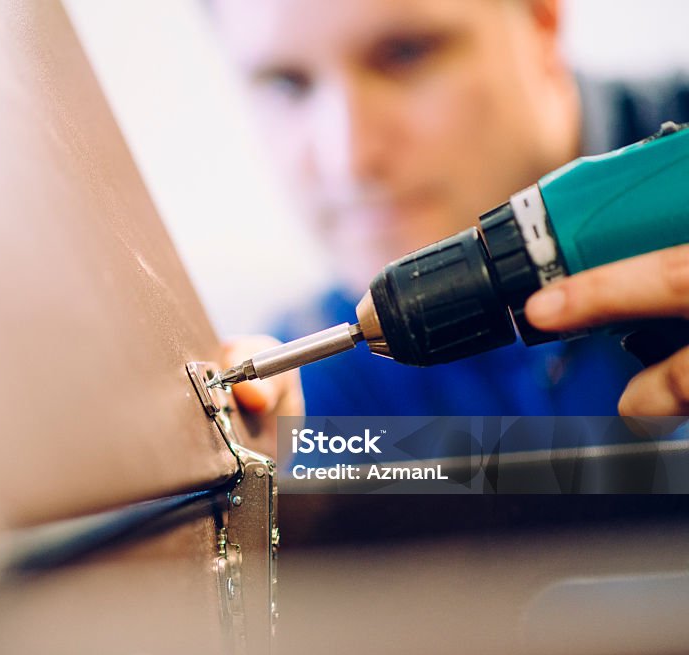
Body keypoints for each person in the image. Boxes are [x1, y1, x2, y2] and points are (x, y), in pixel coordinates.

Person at [209, 0, 689, 432]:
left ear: (542, 19)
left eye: (405, 53)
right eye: (287, 84)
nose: (350, 160)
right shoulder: (317, 392)